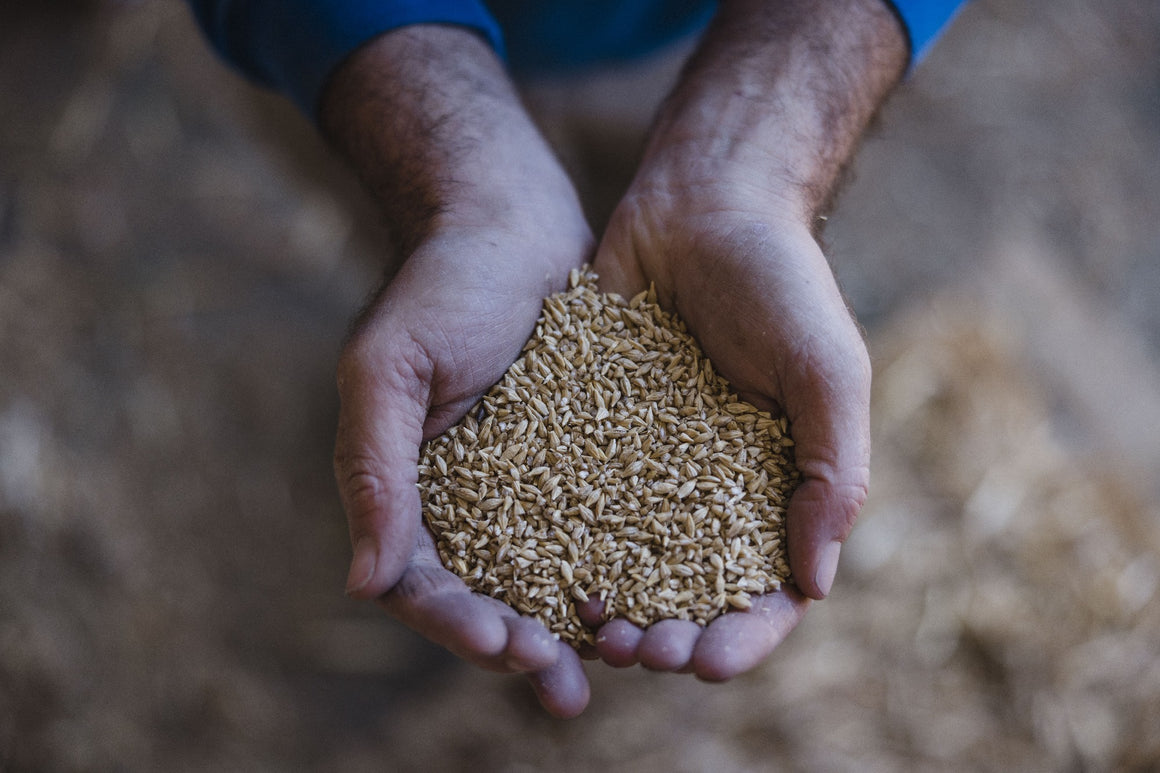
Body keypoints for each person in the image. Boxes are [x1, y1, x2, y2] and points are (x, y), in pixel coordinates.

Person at [188, 0, 965, 718]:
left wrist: (753, 158)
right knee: (419, 252)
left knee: (581, 249)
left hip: (731, 38)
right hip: (352, 40)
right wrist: (452, 175)